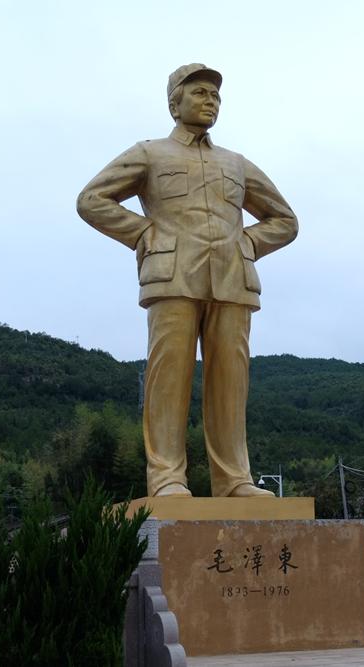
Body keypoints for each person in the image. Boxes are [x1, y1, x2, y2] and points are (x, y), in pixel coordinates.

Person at [77, 64, 298, 498]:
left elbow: (285, 220)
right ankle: (166, 478)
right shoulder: (150, 154)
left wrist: (247, 243)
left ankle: (234, 480)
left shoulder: (236, 163)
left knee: (231, 383)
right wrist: (143, 233)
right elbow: (92, 199)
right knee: (169, 378)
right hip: (172, 276)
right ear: (174, 104)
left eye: (215, 96)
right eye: (199, 93)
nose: (210, 101)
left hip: (233, 281)